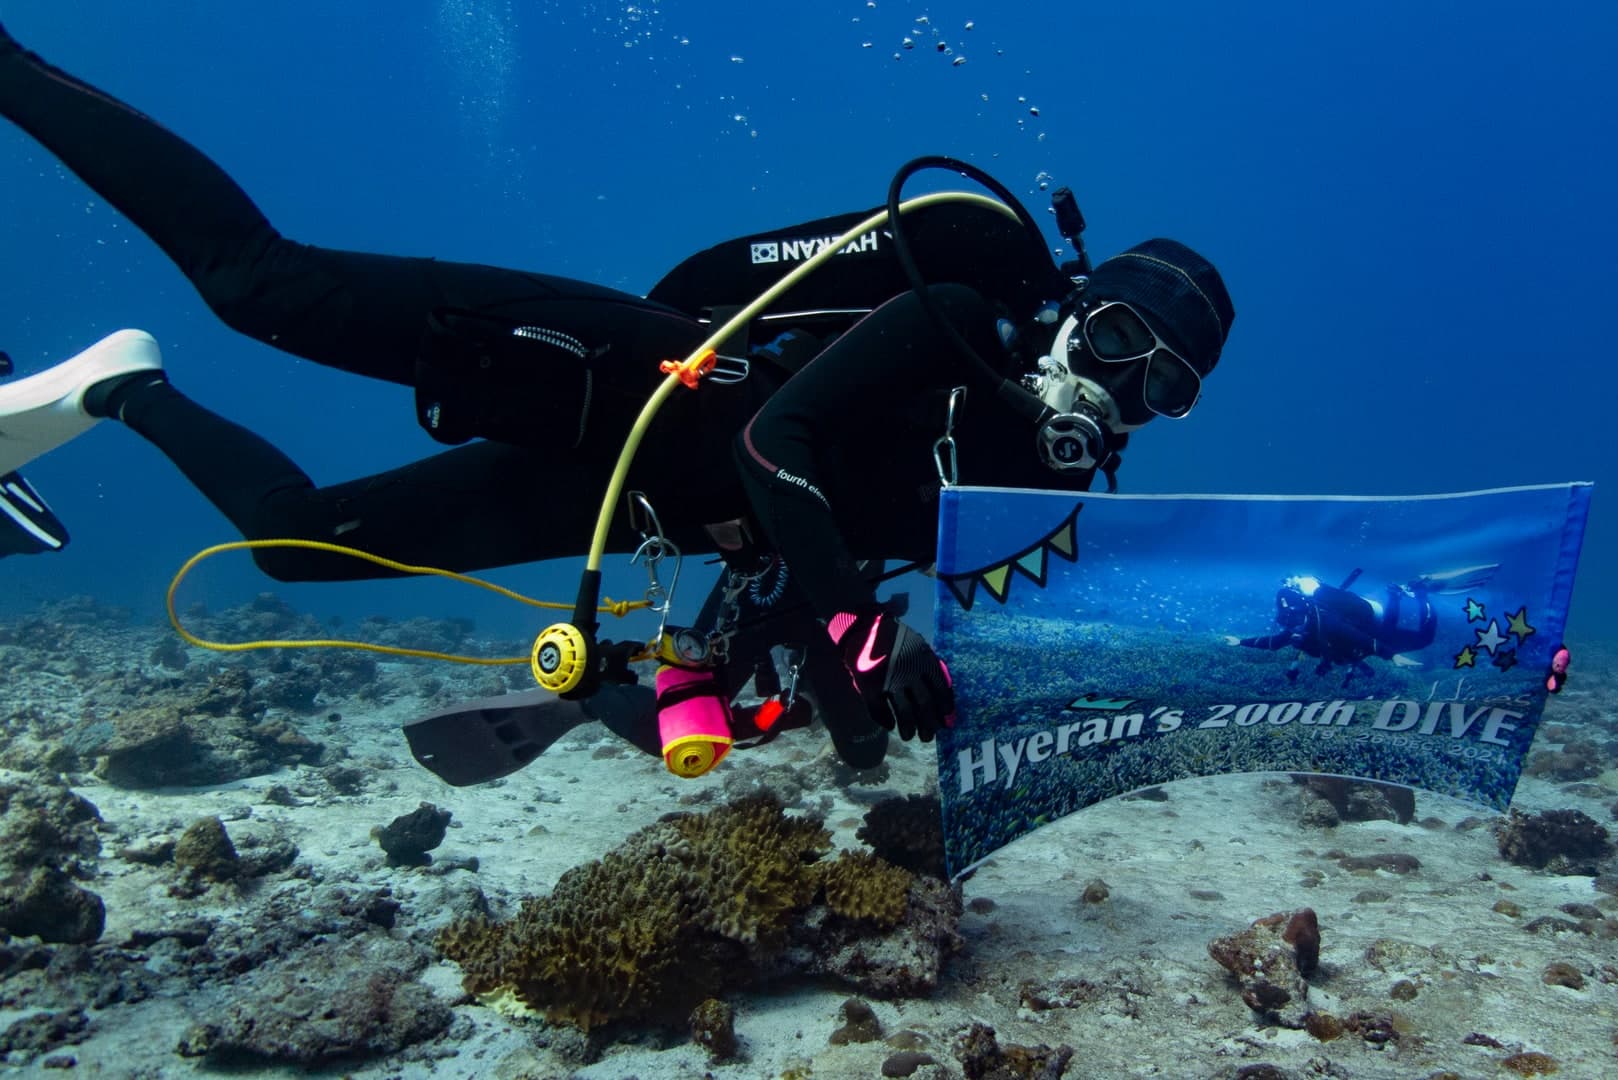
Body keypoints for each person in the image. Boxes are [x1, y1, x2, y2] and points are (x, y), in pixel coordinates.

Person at [0, 20, 1236, 780]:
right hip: (615, 373)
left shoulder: (1023, 493)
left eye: (1163, 387)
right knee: (259, 286)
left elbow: (797, 577)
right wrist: (861, 624)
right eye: (1120, 339)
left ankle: (122, 387)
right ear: (1078, 304)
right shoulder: (963, 319)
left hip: (621, 498)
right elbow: (776, 441)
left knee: (295, 548)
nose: (1123, 385)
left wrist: (858, 694)